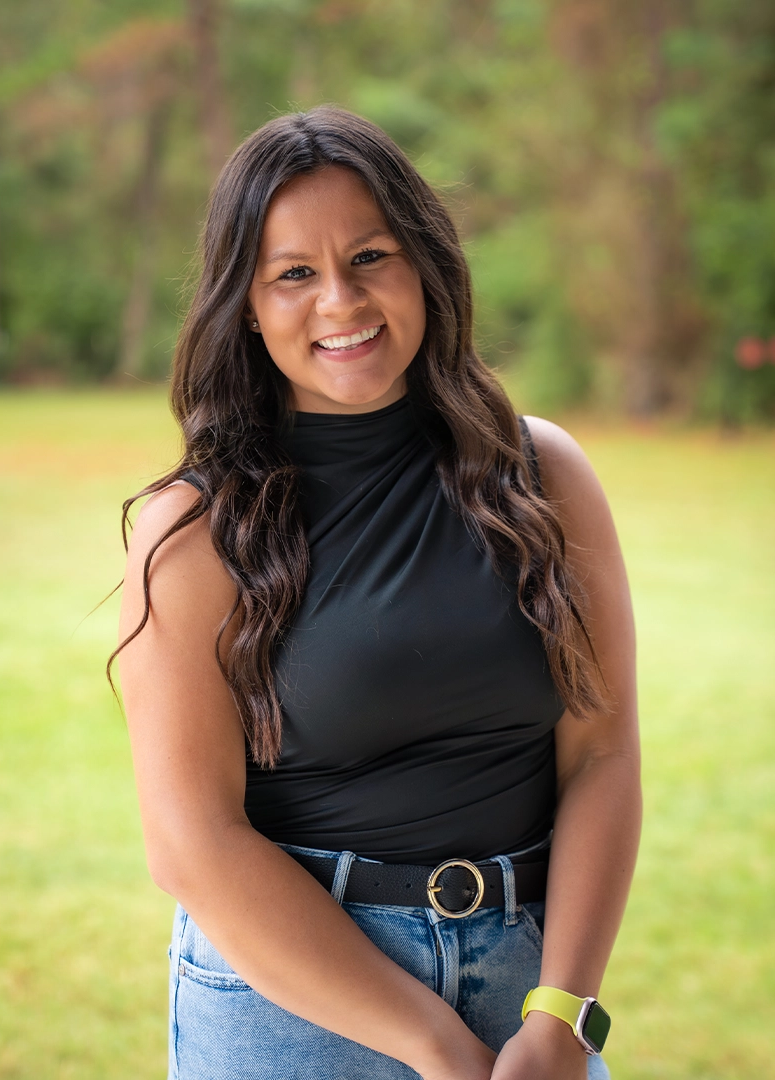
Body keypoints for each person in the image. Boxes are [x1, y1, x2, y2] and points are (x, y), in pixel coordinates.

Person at [114, 106, 641, 1080]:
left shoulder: (544, 474)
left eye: (369, 256)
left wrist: (563, 1014)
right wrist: (435, 1044)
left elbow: (601, 753)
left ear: (425, 266)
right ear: (246, 305)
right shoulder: (194, 533)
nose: (340, 302)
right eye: (293, 275)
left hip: (530, 988)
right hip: (293, 1002)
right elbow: (195, 845)